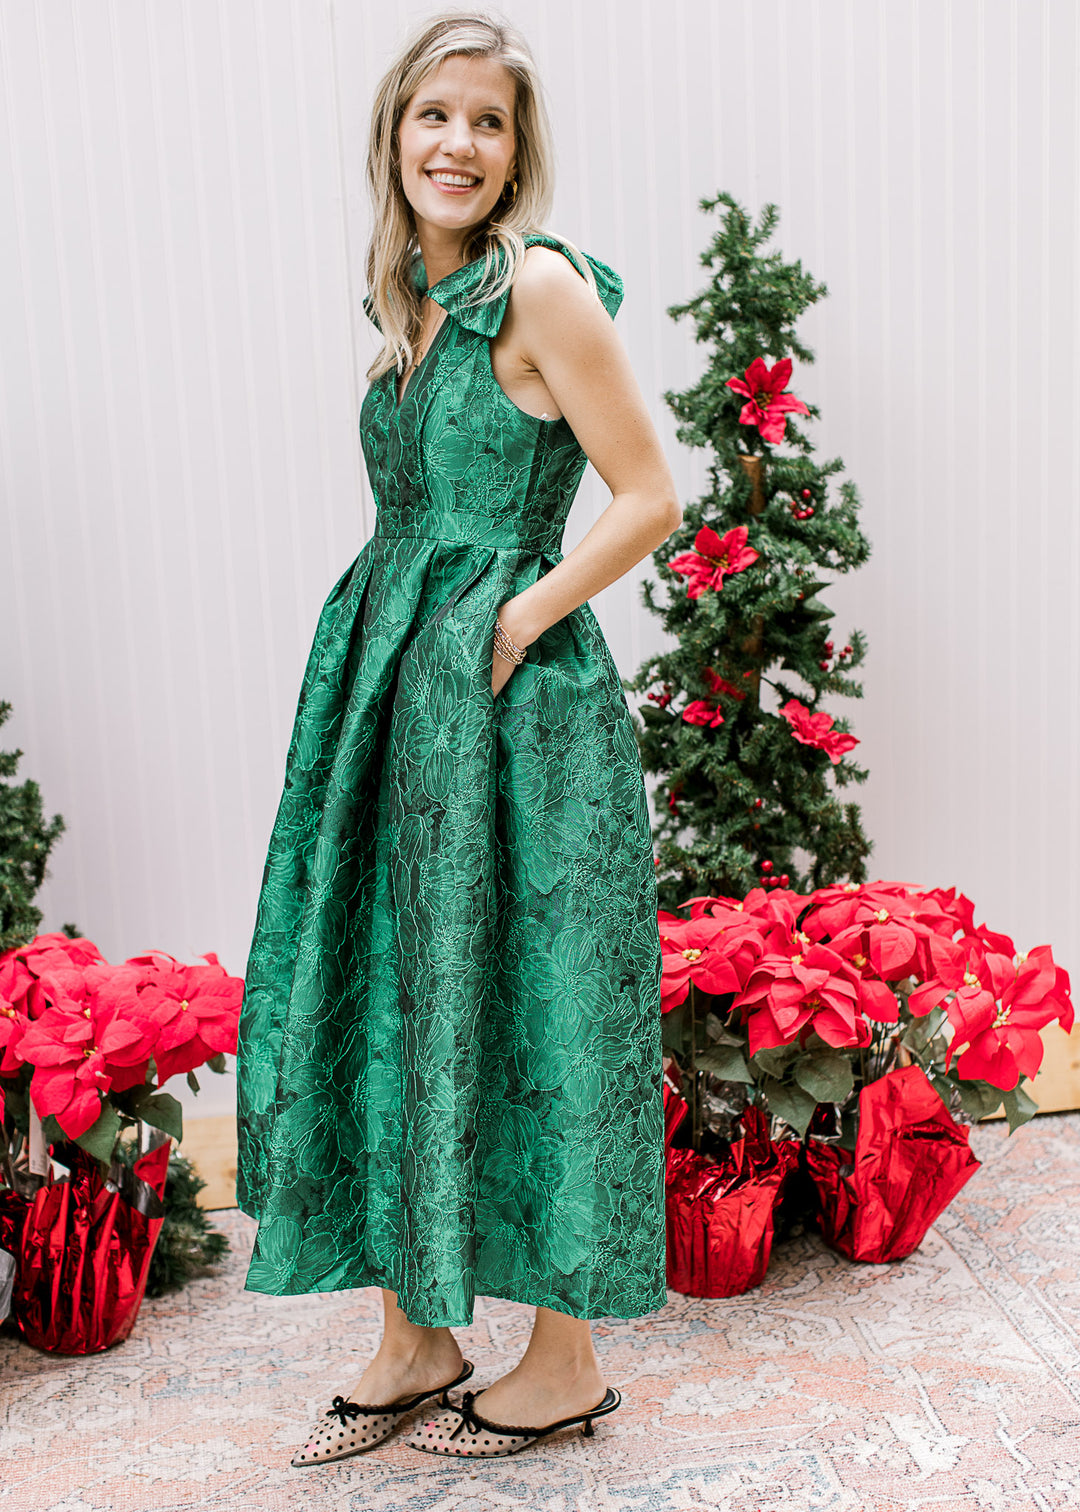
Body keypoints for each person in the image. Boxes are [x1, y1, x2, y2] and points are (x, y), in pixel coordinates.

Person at [234, 9, 682, 1466]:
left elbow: (647, 497)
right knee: (385, 981)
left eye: (488, 124)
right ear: (394, 135)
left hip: (510, 701)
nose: (460, 144)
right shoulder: (410, 298)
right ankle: (416, 1334)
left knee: (536, 997)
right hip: (388, 686)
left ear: (516, 153)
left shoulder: (539, 289)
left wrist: (510, 623)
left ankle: (559, 1364)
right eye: (437, 116)